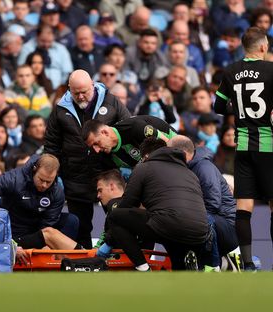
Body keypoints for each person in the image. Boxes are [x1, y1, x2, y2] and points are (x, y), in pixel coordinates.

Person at [44, 69, 130, 248]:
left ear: (93, 85)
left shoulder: (112, 102)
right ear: (69, 89)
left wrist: (124, 165)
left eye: (85, 92)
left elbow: (128, 131)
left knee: (119, 221)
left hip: (108, 176)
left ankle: (121, 259)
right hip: (75, 178)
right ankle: (83, 264)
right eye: (76, 93)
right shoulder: (60, 109)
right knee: (81, 227)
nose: (81, 96)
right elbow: (51, 145)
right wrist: (55, 174)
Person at [98, 138, 209, 270]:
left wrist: (109, 241)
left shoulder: (144, 168)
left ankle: (143, 268)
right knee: (178, 265)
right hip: (200, 231)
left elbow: (127, 205)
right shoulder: (190, 173)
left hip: (170, 224)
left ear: (145, 156)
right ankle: (187, 266)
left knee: (116, 217)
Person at [214, 27, 273, 271]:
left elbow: (218, 106)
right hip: (268, 146)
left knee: (244, 206)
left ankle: (247, 263)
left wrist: (237, 110)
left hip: (243, 145)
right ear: (262, 47)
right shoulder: (271, 70)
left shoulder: (231, 71)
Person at [168, 135, 239, 271]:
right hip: (208, 220)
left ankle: (213, 265)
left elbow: (213, 204)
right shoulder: (187, 168)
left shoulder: (204, 168)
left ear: (182, 153)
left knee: (195, 220)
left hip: (226, 225)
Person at [0, 153, 81, 250]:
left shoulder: (57, 191)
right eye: (41, 179)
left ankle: (67, 259)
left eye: (49, 181)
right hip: (10, 234)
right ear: (34, 170)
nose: (44, 185)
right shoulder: (13, 179)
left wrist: (43, 245)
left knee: (71, 220)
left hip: (36, 233)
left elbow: (48, 224)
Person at [82, 115, 177, 169]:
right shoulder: (107, 155)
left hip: (177, 153)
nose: (97, 150)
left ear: (105, 132)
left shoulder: (135, 128)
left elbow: (169, 149)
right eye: (92, 147)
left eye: (96, 143)